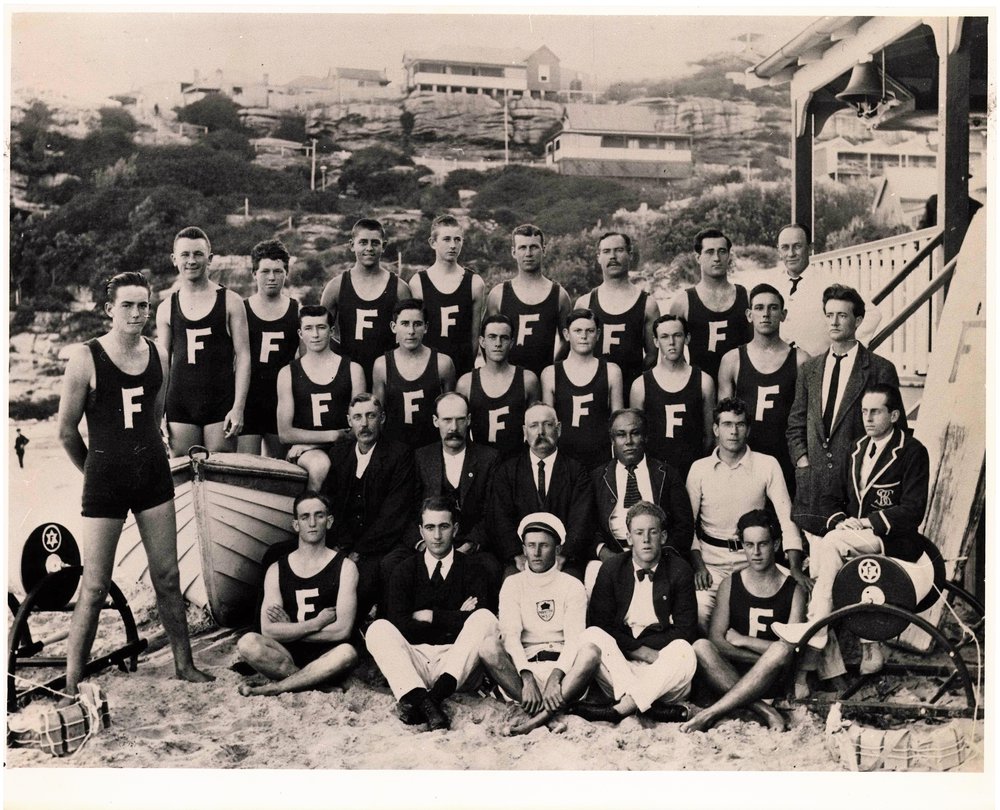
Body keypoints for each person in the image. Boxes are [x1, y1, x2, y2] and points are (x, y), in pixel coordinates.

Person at [57, 271, 213, 696]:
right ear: (109, 309)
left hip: (151, 475)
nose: (136, 313)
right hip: (104, 480)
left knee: (168, 576)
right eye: (127, 305)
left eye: (143, 305)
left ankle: (184, 665)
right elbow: (66, 431)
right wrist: (94, 471)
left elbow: (155, 417)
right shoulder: (86, 357)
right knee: (94, 585)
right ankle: (72, 684)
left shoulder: (159, 353)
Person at [775, 384, 933, 675]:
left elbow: (913, 510)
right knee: (829, 542)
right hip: (854, 536)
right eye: (864, 411)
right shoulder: (855, 448)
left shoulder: (912, 451)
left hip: (893, 540)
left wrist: (866, 522)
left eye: (876, 412)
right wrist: (840, 521)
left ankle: (816, 628)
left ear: (894, 415)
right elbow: (830, 498)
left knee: (831, 543)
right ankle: (858, 643)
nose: (868, 418)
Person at [366, 496, 523, 731]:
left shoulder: (473, 568)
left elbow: (478, 619)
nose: (437, 535)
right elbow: (400, 624)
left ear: (455, 529)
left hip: (457, 663)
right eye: (430, 527)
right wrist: (456, 616)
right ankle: (425, 700)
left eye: (444, 526)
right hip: (416, 662)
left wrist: (431, 616)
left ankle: (429, 699)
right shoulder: (404, 570)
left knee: (485, 619)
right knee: (377, 629)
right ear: (421, 531)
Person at [786, 284, 899, 547]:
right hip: (814, 492)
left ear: (858, 321)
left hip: (857, 495)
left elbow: (895, 433)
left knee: (854, 568)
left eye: (842, 315)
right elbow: (796, 423)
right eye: (829, 315)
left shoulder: (879, 369)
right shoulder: (810, 369)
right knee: (817, 564)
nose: (834, 322)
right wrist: (803, 462)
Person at [686, 397, 807, 634]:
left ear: (748, 429)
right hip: (712, 565)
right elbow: (687, 525)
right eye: (727, 424)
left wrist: (794, 566)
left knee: (800, 597)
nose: (734, 431)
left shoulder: (767, 464)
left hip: (755, 562)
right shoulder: (699, 469)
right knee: (698, 611)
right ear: (716, 429)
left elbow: (787, 518)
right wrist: (699, 566)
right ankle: (719, 655)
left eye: (740, 424)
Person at [680, 509, 805, 733]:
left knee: (780, 650)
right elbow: (717, 640)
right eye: (749, 545)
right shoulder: (730, 584)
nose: (755, 552)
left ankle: (709, 714)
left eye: (763, 544)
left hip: (772, 682)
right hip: (730, 675)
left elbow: (790, 649)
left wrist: (743, 640)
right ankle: (764, 711)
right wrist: (763, 660)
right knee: (701, 646)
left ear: (776, 545)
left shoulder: (793, 590)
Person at [576, 502, 697, 723]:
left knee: (684, 650)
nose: (646, 539)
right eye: (639, 533)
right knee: (592, 634)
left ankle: (620, 709)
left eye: (653, 532)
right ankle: (649, 709)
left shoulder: (680, 570)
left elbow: (686, 630)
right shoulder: (611, 568)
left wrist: (649, 652)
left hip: (662, 670)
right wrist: (638, 651)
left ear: (663, 536)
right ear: (629, 538)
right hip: (622, 669)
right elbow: (600, 624)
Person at [236, 491, 359, 696]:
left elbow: (342, 631)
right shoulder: (277, 569)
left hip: (327, 655)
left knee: (347, 653)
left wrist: (290, 630)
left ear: (329, 522)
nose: (312, 523)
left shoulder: (345, 567)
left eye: (319, 515)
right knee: (247, 643)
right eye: (304, 517)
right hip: (287, 656)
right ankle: (315, 684)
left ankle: (277, 687)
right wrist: (315, 623)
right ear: (296, 525)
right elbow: (268, 631)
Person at [499, 513, 603, 736]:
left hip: (564, 675)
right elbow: (510, 636)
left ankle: (534, 721)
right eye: (531, 545)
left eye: (544, 546)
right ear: (524, 549)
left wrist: (556, 678)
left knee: (591, 652)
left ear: (557, 549)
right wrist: (527, 678)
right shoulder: (512, 584)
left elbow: (574, 639)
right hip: (524, 674)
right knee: (488, 648)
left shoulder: (572, 585)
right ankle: (549, 716)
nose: (536, 552)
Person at [155, 226, 251, 456]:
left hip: (220, 402)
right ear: (174, 259)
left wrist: (238, 407)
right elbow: (162, 364)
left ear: (210, 259)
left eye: (198, 254)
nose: (191, 260)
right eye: (185, 255)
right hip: (180, 403)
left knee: (220, 467)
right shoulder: (166, 307)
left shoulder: (231, 301)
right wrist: (158, 413)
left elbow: (244, 357)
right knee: (183, 466)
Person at [324, 394, 416, 619]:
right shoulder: (339, 454)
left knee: (360, 587)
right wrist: (341, 546)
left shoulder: (399, 455)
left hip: (378, 547)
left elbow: (393, 515)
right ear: (349, 421)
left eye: (371, 416)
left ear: (382, 418)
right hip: (343, 544)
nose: (364, 424)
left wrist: (358, 551)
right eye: (357, 417)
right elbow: (330, 504)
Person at [587, 408, 694, 593]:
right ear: (612, 440)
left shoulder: (667, 474)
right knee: (593, 583)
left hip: (658, 555)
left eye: (635, 433)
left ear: (645, 437)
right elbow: (588, 526)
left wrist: (661, 555)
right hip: (612, 554)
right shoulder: (597, 478)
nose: (628, 441)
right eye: (621, 435)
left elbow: (684, 525)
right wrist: (605, 554)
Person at [717, 283, 809, 493]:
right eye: (759, 308)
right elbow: (723, 421)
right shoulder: (732, 360)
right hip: (745, 457)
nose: (766, 314)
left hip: (786, 456)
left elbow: (808, 419)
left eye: (773, 308)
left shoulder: (800, 360)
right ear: (749, 315)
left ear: (783, 315)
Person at [488, 402, 595, 580]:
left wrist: (564, 556)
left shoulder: (576, 471)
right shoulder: (508, 471)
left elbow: (581, 519)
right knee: (510, 583)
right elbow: (500, 518)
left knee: (572, 584)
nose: (541, 432)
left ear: (558, 429)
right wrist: (517, 555)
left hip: (565, 560)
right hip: (521, 561)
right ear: (525, 432)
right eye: (534, 426)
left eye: (547, 424)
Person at [413, 392, 502, 592]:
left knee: (491, 568)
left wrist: (469, 546)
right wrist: (424, 545)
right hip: (429, 542)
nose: (453, 427)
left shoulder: (488, 458)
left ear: (469, 420)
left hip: (470, 545)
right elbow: (410, 508)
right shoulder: (421, 457)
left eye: (460, 420)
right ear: (435, 421)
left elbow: (492, 512)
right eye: (447, 420)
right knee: (392, 564)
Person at [276, 305, 364, 490]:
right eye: (308, 328)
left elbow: (360, 426)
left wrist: (313, 443)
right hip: (308, 453)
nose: (315, 334)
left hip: (345, 447)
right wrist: (332, 436)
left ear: (331, 331)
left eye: (321, 327)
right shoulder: (288, 373)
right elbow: (285, 434)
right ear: (300, 333)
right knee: (319, 464)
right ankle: (310, 507)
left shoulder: (353, 369)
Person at [320, 218, 411, 389]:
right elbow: (321, 331)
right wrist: (342, 355)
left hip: (388, 374)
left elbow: (410, 333)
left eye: (375, 243)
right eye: (363, 242)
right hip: (348, 375)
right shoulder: (336, 286)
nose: (369, 248)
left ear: (384, 246)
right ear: (352, 245)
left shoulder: (399, 288)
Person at [766, 224, 882, 357]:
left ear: (810, 248)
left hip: (818, 365)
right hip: (778, 364)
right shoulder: (772, 284)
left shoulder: (830, 282)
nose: (791, 253)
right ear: (779, 251)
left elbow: (872, 315)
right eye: (785, 247)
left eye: (797, 246)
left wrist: (843, 350)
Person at [630, 314, 715, 479]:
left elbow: (710, 436)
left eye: (677, 335)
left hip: (693, 472)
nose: (671, 342)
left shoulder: (704, 381)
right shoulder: (640, 385)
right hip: (655, 474)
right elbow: (637, 437)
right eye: (664, 336)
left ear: (687, 338)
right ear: (656, 341)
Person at [238, 239, 301, 458]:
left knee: (279, 467)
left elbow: (304, 362)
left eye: (278, 271)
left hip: (281, 401)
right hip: (248, 399)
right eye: (265, 271)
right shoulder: (242, 309)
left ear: (286, 273)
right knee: (246, 466)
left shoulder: (295, 310)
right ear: (254, 274)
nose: (272, 277)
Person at [576, 232, 660, 392]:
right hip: (592, 392)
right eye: (606, 251)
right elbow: (576, 355)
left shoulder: (648, 304)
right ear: (598, 257)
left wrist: (635, 388)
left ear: (630, 254)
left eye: (619, 250)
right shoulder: (584, 303)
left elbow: (652, 356)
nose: (613, 256)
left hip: (632, 393)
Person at [541, 308, 624, 470]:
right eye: (577, 331)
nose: (584, 336)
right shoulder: (550, 373)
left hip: (600, 460)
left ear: (598, 334)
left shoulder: (611, 371)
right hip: (564, 460)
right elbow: (548, 425)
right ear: (566, 334)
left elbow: (618, 424)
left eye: (590, 331)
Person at [486, 223, 572, 378]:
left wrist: (551, 369)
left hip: (542, 380)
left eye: (534, 247)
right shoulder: (498, 294)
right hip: (506, 381)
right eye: (522, 248)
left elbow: (567, 340)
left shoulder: (559, 295)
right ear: (513, 252)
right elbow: (487, 339)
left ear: (543, 250)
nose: (528, 253)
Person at [667, 228, 752, 384]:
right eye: (709, 252)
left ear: (729, 256)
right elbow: (671, 353)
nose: (717, 258)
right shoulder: (683, 302)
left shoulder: (746, 297)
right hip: (701, 388)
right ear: (698, 257)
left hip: (742, 385)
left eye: (722, 251)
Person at [373, 298, 456, 450]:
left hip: (432, 448)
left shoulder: (443, 363)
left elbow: (450, 414)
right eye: (405, 324)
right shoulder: (382, 365)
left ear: (426, 327)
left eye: (417, 324)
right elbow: (378, 416)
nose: (411, 331)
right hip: (395, 449)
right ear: (393, 327)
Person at [408, 214, 485, 377]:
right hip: (427, 369)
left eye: (457, 239)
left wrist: (466, 372)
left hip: (462, 369)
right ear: (433, 242)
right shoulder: (418, 282)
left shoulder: (474, 283)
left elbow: (474, 336)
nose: (453, 245)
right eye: (446, 239)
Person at [457, 314, 540, 459]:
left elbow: (535, 429)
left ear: (512, 342)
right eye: (492, 337)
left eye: (504, 338)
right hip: (479, 464)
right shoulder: (466, 383)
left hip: (517, 462)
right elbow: (460, 431)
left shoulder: (527, 380)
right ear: (482, 341)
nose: (498, 343)